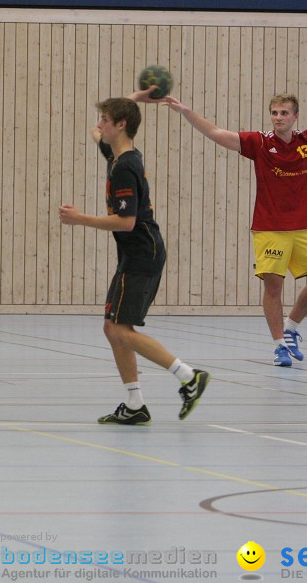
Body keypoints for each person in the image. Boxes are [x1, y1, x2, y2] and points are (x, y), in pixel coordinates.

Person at [156, 63, 307, 366]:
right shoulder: (260, 143)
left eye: (284, 113)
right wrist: (186, 111)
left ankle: (291, 329)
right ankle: (279, 346)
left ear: (295, 116)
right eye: (274, 112)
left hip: (304, 227)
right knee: (273, 285)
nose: (278, 118)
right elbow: (215, 132)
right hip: (270, 227)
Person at [59, 93, 209, 424]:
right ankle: (135, 403)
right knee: (113, 328)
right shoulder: (117, 154)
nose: (99, 126)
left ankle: (189, 376)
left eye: (105, 120)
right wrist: (135, 98)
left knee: (121, 331)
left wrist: (80, 218)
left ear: (121, 125)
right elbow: (95, 132)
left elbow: (125, 222)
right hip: (135, 255)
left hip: (142, 254)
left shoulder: (126, 166)